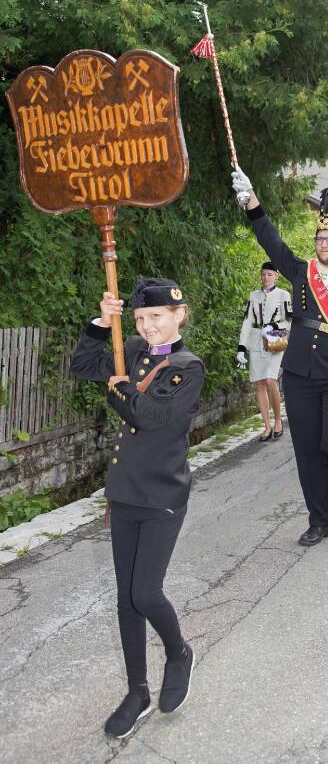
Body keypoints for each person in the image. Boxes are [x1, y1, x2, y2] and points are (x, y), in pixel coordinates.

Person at [70, 280, 203, 738]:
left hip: (163, 496)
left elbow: (149, 416)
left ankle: (178, 652)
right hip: (124, 492)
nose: (148, 327)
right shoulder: (129, 349)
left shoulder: (188, 366)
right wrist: (101, 323)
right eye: (141, 318)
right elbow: (83, 363)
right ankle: (137, 690)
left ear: (179, 314)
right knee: (128, 598)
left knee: (146, 593)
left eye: (158, 317)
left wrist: (118, 388)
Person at [231, 168, 328, 546]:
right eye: (320, 237)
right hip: (300, 374)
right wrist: (251, 200)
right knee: (307, 451)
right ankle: (319, 520)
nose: (324, 243)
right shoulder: (302, 272)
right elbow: (271, 242)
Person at [237, 262, 292, 440]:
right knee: (259, 383)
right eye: (263, 274)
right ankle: (267, 426)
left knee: (270, 380)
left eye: (269, 274)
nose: (265, 277)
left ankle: (278, 421)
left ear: (276, 276)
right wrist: (241, 348)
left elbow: (290, 321)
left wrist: (273, 326)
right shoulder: (253, 295)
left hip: (275, 339)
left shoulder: (284, 295)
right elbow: (247, 322)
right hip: (255, 342)